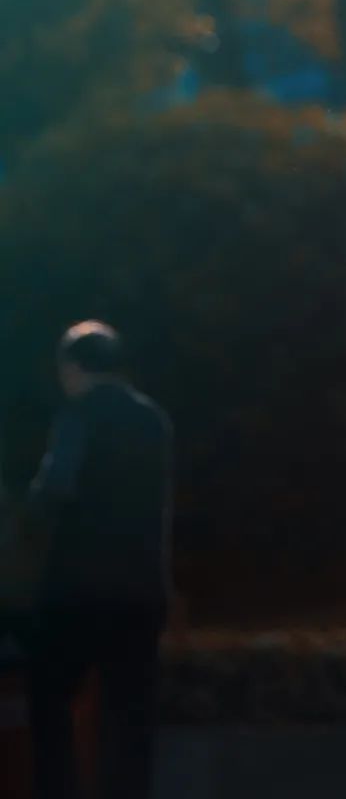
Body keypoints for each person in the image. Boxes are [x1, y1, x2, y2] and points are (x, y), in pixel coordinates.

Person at [25, 321, 172, 799]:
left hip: (78, 589)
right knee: (131, 713)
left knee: (49, 697)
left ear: (72, 367)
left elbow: (55, 489)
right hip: (142, 589)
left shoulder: (79, 415)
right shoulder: (153, 420)